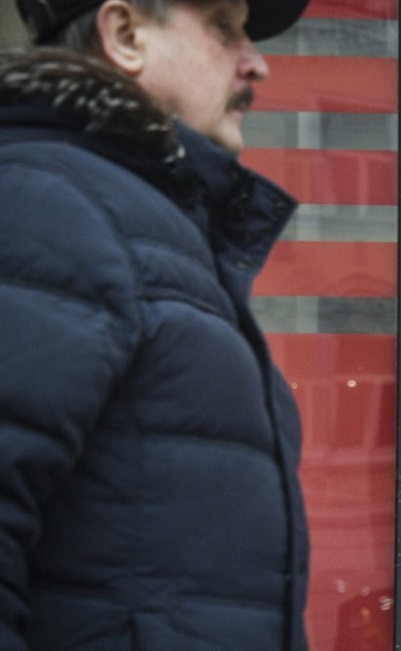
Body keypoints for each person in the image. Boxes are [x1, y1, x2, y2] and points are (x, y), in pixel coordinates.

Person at [0, 0, 309, 647]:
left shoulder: (143, 226)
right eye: (224, 27)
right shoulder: (49, 207)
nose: (256, 64)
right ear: (126, 34)